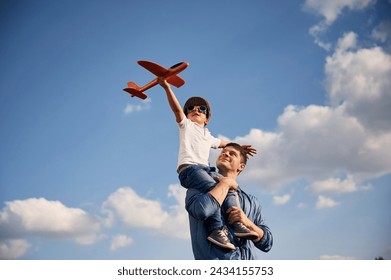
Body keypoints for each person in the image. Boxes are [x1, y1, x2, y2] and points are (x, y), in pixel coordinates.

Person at [158, 77, 259, 250]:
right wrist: (166, 87)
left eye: (201, 109)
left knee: (224, 190)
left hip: (204, 170)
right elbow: (176, 109)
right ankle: (217, 230)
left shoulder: (208, 136)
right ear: (187, 114)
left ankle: (236, 224)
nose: (195, 110)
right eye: (190, 109)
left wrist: (238, 147)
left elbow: (223, 143)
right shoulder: (186, 126)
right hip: (190, 170)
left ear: (207, 119)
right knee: (219, 188)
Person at [185, 143, 273, 259]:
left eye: (232, 154)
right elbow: (201, 210)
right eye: (223, 152)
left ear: (241, 166)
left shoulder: (251, 202)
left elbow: (267, 243)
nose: (225, 153)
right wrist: (225, 183)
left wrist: (247, 222)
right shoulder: (198, 185)